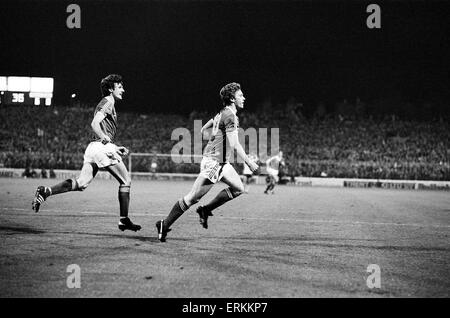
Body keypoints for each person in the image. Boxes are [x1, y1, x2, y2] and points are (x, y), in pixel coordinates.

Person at [32, 74, 141, 232]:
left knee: (81, 183)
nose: (123, 90)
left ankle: (46, 191)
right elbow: (95, 123)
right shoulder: (108, 101)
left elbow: (101, 128)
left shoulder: (108, 103)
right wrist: (107, 142)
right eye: (120, 87)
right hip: (101, 147)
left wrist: (112, 145)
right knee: (126, 181)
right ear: (111, 89)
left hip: (93, 147)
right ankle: (124, 220)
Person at [156, 82, 258, 242]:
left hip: (222, 163)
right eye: (240, 95)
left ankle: (205, 210)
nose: (243, 97)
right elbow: (234, 144)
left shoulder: (223, 113)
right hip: (214, 163)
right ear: (232, 98)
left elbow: (204, 129)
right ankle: (164, 223)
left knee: (238, 188)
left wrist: (214, 136)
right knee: (192, 198)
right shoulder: (230, 115)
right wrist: (250, 163)